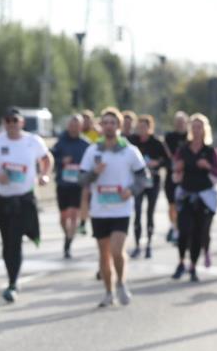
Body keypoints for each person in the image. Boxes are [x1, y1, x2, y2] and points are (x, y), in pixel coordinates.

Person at [0, 108, 53, 302]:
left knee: (16, 240)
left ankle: (13, 283)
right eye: (8, 120)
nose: (11, 124)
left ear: (22, 123)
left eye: (15, 120)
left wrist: (44, 175)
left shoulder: (33, 141)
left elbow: (47, 159)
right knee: (7, 243)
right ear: (4, 123)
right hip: (2, 199)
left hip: (24, 199)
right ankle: (12, 277)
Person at [79, 108, 148, 307]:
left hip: (121, 209)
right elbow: (81, 179)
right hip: (100, 209)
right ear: (101, 126)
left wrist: (131, 190)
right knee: (104, 254)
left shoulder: (129, 151)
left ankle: (121, 283)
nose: (109, 126)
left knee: (117, 251)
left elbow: (144, 177)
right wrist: (94, 172)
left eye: (113, 123)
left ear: (119, 126)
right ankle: (108, 292)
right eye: (106, 122)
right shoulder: (93, 151)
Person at [171, 113, 217, 282]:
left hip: (205, 197)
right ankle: (180, 263)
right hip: (186, 194)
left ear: (204, 129)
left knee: (198, 232)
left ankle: (193, 266)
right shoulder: (183, 149)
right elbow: (175, 173)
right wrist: (178, 168)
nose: (196, 130)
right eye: (194, 126)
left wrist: (207, 166)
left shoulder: (210, 151)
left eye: (199, 127)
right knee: (184, 230)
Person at [128, 114, 172, 259]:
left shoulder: (157, 142)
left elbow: (167, 161)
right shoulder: (132, 141)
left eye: (144, 127)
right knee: (137, 212)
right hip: (137, 181)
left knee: (150, 213)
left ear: (149, 128)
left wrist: (156, 163)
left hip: (152, 181)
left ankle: (149, 245)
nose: (141, 130)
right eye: (139, 127)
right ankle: (137, 245)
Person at [51, 113, 90, 258]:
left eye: (76, 125)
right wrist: (62, 160)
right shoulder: (61, 141)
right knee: (63, 217)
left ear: (81, 127)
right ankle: (67, 234)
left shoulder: (86, 144)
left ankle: (68, 243)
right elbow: (51, 157)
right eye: (71, 125)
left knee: (74, 215)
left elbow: (91, 164)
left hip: (77, 185)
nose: (73, 127)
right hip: (63, 183)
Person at [163, 111, 190, 243]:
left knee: (185, 205)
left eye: (182, 122)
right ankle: (174, 227)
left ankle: (183, 227)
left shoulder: (190, 137)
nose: (180, 124)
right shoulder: (169, 137)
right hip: (171, 176)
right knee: (172, 204)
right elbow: (165, 156)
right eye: (177, 122)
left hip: (186, 176)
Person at [78, 109, 100, 234]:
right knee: (85, 195)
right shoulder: (78, 132)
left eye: (88, 120)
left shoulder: (96, 133)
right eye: (84, 120)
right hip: (84, 169)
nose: (85, 123)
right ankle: (82, 222)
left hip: (96, 169)